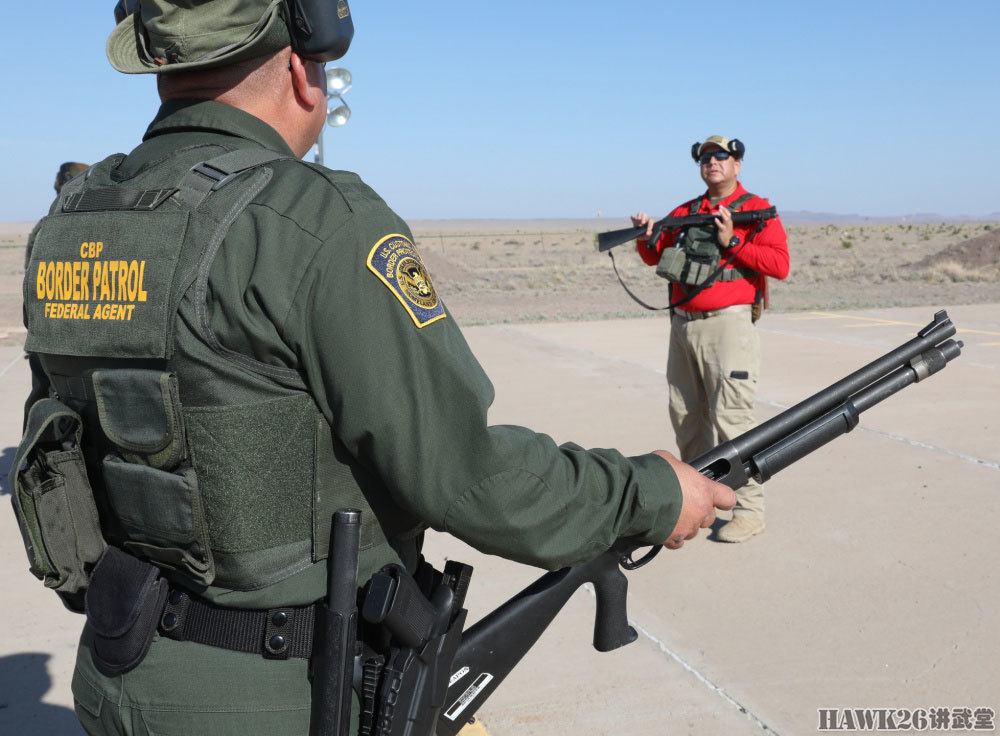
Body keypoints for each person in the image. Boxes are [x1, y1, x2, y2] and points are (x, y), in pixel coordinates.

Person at [14, 3, 735, 734]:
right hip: (286, 699)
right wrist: (647, 492)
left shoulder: (74, 220)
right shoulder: (311, 220)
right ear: (302, 70)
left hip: (116, 675)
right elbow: (466, 476)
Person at [630, 136, 789, 543]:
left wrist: (732, 240)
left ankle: (749, 511)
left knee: (732, 419)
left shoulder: (757, 210)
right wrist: (646, 236)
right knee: (687, 418)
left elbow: (779, 265)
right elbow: (655, 256)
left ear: (737, 164)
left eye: (721, 156)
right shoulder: (686, 211)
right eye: (705, 157)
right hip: (683, 324)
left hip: (729, 325)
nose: (712, 162)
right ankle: (699, 504)